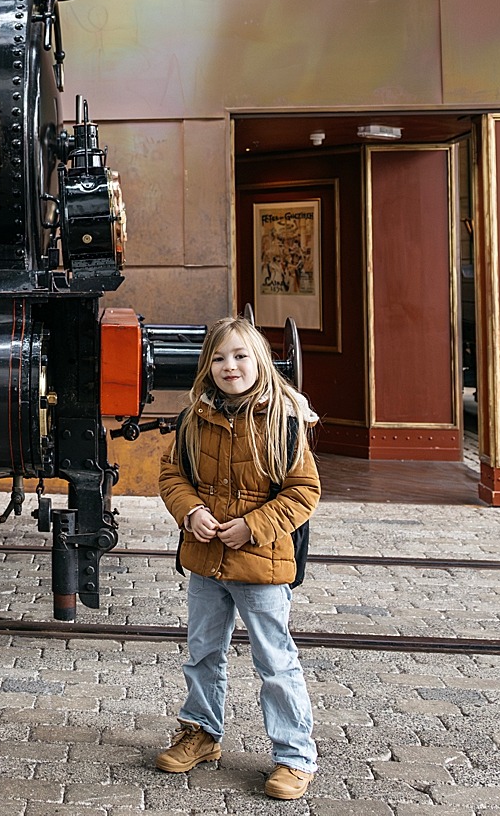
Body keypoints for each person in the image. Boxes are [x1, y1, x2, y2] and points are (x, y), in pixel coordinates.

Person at [153, 315, 320, 801]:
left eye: (241, 356)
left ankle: (294, 758)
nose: (231, 366)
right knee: (204, 652)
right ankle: (201, 734)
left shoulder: (284, 420)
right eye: (220, 358)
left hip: (262, 566)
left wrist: (253, 526)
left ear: (261, 361)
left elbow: (304, 491)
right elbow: (171, 476)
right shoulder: (193, 419)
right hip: (206, 562)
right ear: (208, 366)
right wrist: (191, 513)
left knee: (275, 661)